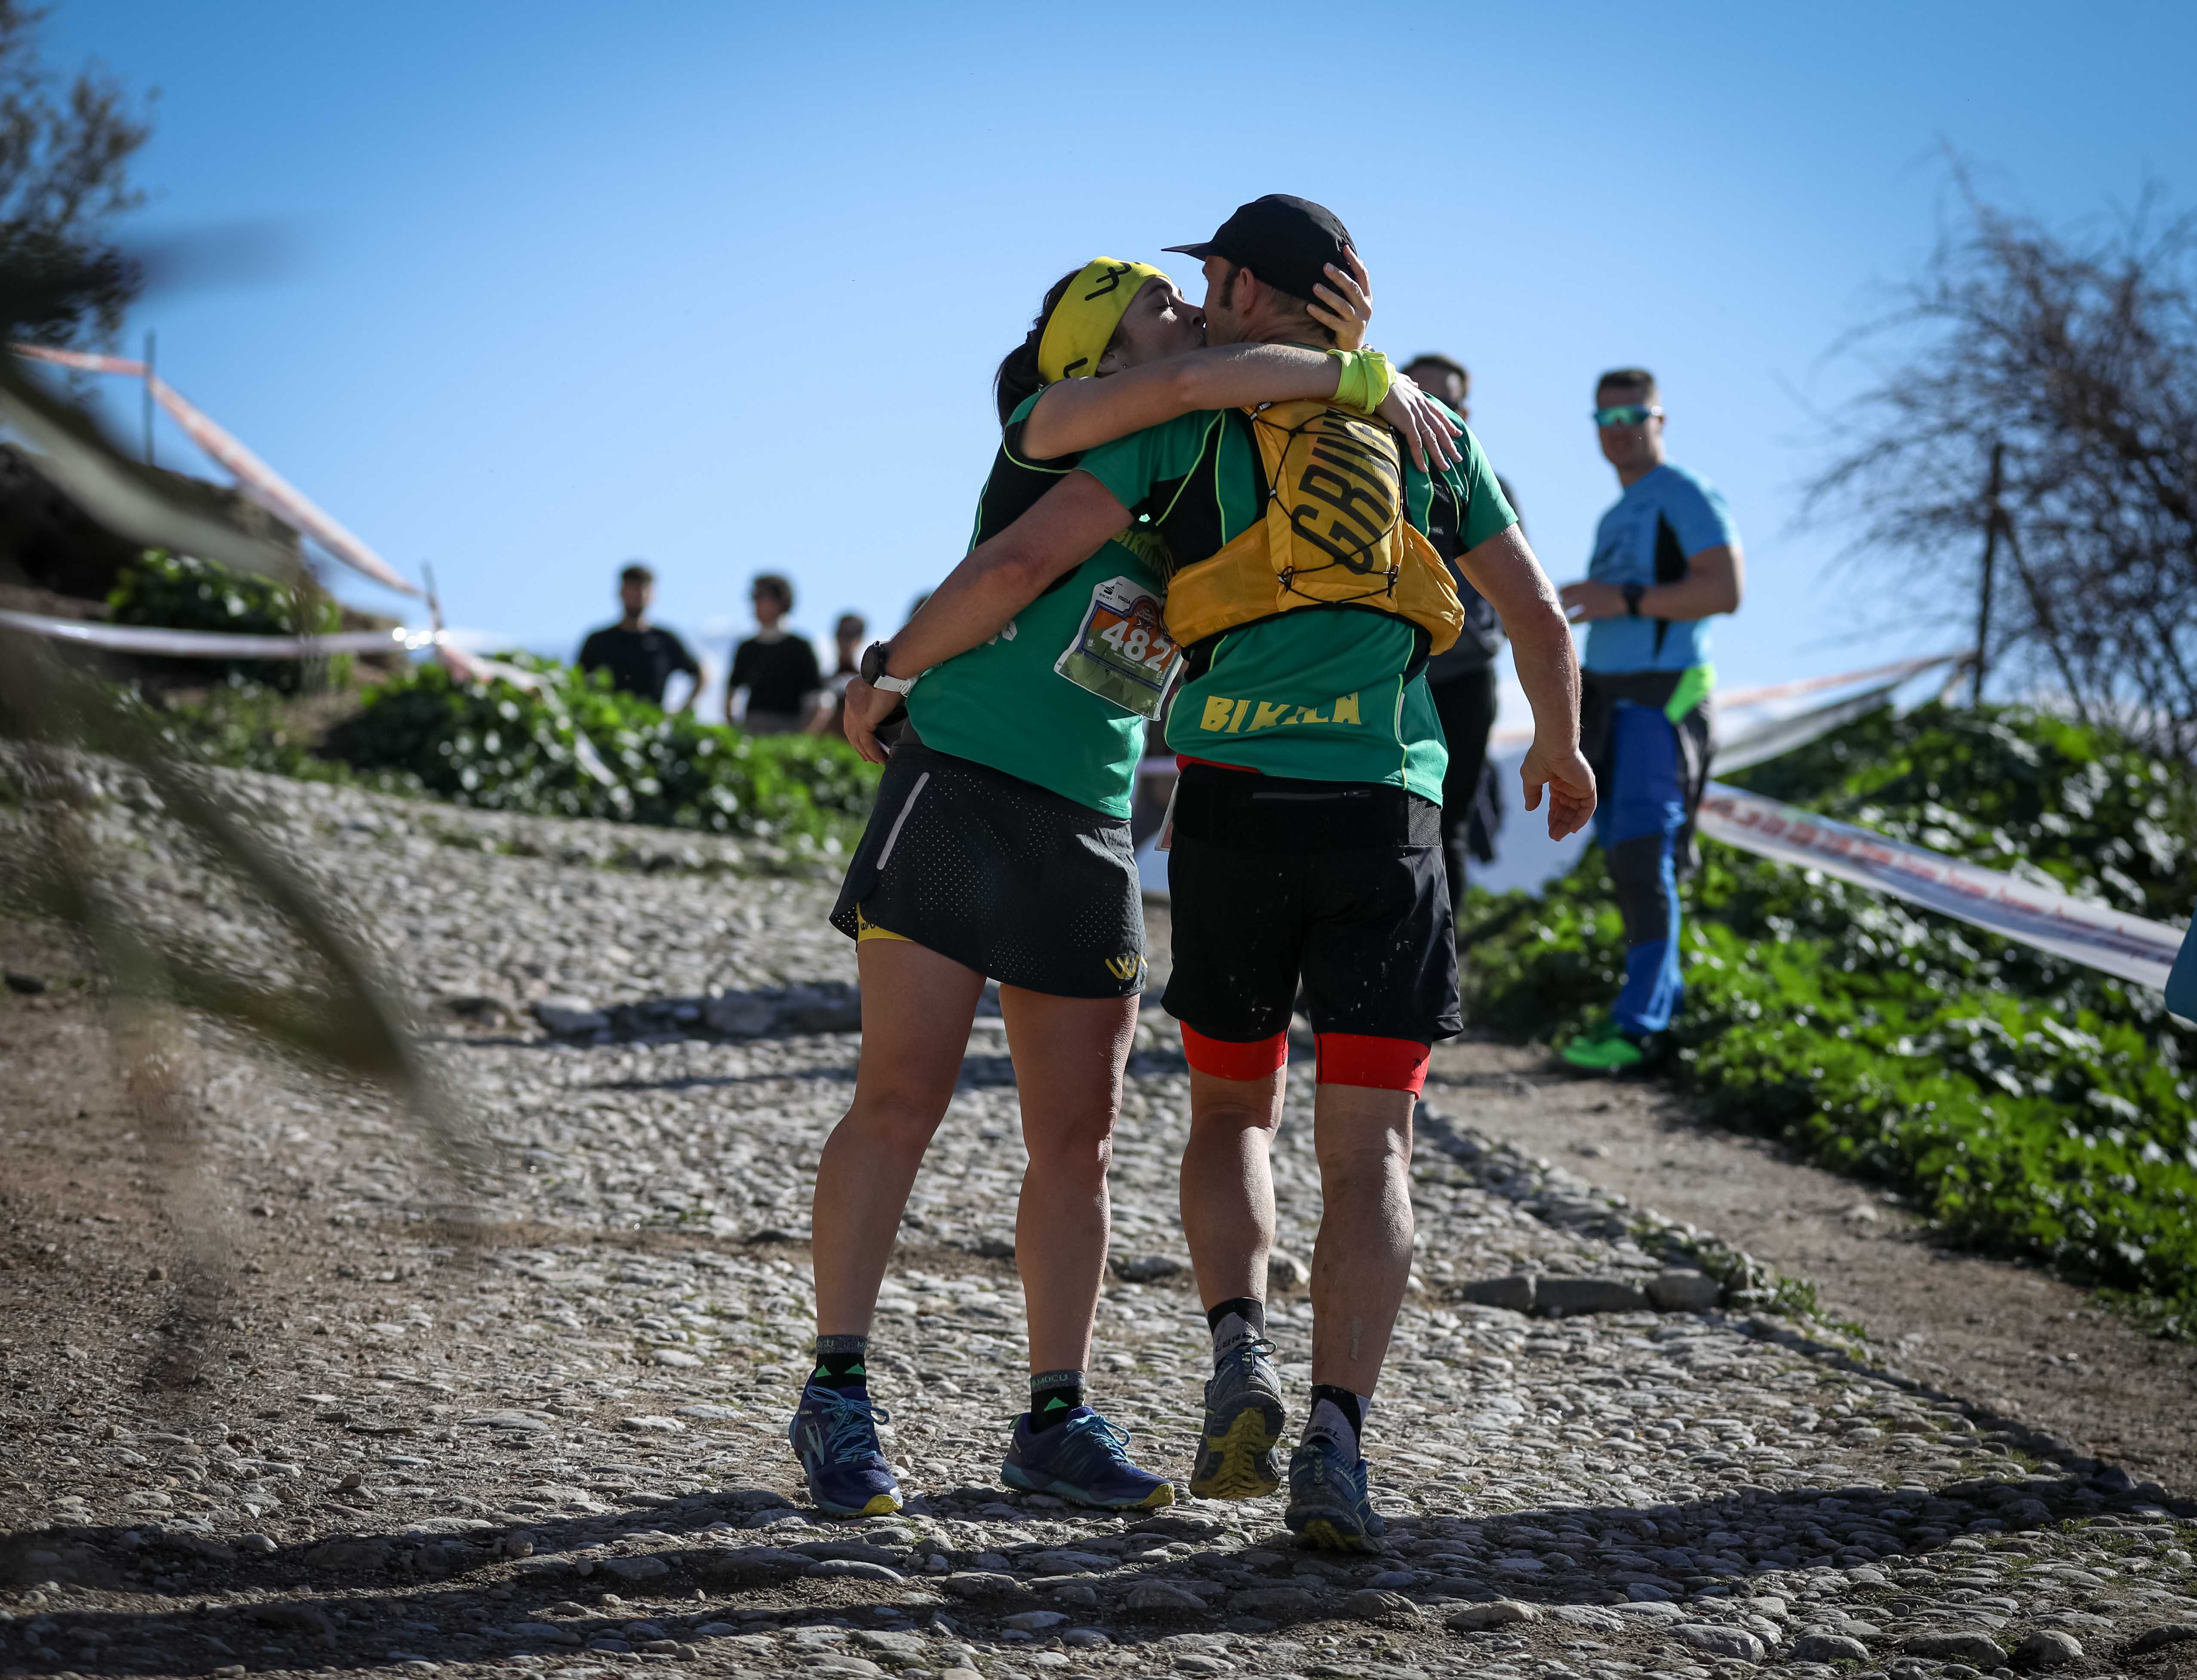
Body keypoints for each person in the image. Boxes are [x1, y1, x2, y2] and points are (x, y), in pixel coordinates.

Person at [843, 196, 1595, 1551]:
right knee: (1367, 1153)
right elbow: (1534, 612)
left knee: (1214, 1121)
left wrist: (886, 675)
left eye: (1202, 287)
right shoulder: (1425, 434)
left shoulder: (1183, 434)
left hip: (1217, 809)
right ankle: (1336, 1440)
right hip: (1380, 811)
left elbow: (1028, 552)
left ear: (1247, 286)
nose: (1187, 308)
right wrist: (1561, 749)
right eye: (1158, 301)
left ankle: (1212, 1360)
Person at [1555, 369, 1744, 1071]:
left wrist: (1621, 598)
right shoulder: (1618, 514)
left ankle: (1639, 1029)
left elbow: (1725, 590)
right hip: (1611, 700)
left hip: (1664, 699)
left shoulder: (1684, 493)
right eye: (1605, 415)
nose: (1621, 427)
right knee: (1628, 858)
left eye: (1636, 412)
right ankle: (1655, 1013)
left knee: (1644, 857)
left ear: (1661, 418)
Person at [1401, 353, 1522, 914]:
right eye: (1418, 396)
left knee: (1446, 823)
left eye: (1444, 401)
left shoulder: (1488, 486)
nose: (1430, 411)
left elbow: (1525, 602)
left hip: (1464, 680)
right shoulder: (1372, 474)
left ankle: (1443, 973)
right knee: (1381, 816)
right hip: (1393, 677)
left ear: (1465, 411)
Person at [575, 562, 701, 711]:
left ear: (652, 595)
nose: (638, 595)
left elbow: (700, 674)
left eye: (644, 589)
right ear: (621, 593)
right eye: (632, 589)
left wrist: (684, 709)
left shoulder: (665, 641)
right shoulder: (598, 641)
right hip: (606, 727)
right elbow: (577, 683)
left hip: (652, 727)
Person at [727, 574, 826, 734]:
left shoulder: (800, 648)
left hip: (789, 730)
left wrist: (803, 739)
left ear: (781, 602)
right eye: (754, 598)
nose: (756, 603)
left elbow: (818, 700)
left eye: (761, 597)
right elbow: (731, 695)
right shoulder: (747, 648)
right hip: (752, 731)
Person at [818, 611, 866, 740]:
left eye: (850, 635)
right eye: (841, 634)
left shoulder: (868, 683)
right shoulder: (823, 680)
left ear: (860, 639)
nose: (844, 641)